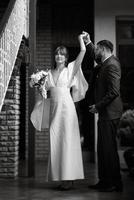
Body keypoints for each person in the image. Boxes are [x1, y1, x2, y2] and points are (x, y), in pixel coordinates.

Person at [30, 33, 88, 190]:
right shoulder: (47, 74)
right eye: (56, 54)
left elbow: (82, 53)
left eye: (62, 54)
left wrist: (80, 40)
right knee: (56, 143)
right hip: (54, 111)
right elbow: (44, 93)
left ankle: (69, 179)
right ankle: (61, 177)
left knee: (68, 143)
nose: (59, 56)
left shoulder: (71, 70)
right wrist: (38, 84)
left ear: (66, 57)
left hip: (67, 111)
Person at [83, 31, 123, 192]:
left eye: (98, 49)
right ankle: (105, 181)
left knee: (108, 150)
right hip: (107, 114)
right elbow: (94, 54)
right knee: (104, 149)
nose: (96, 52)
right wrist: (88, 42)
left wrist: (97, 106)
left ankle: (112, 183)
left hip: (110, 113)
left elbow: (114, 92)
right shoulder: (106, 62)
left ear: (104, 49)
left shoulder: (112, 65)